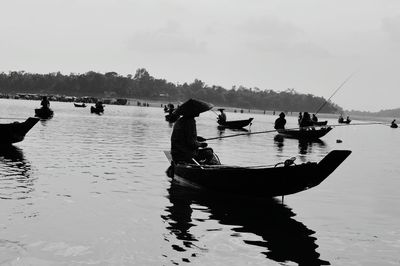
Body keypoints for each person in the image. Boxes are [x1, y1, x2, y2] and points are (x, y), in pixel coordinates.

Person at [170, 99, 220, 165]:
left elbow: (185, 137)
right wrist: (201, 144)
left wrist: (197, 138)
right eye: (197, 110)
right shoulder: (190, 122)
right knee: (209, 152)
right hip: (185, 155)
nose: (199, 112)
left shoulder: (180, 121)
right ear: (192, 112)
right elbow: (191, 143)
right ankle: (204, 167)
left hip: (176, 153)